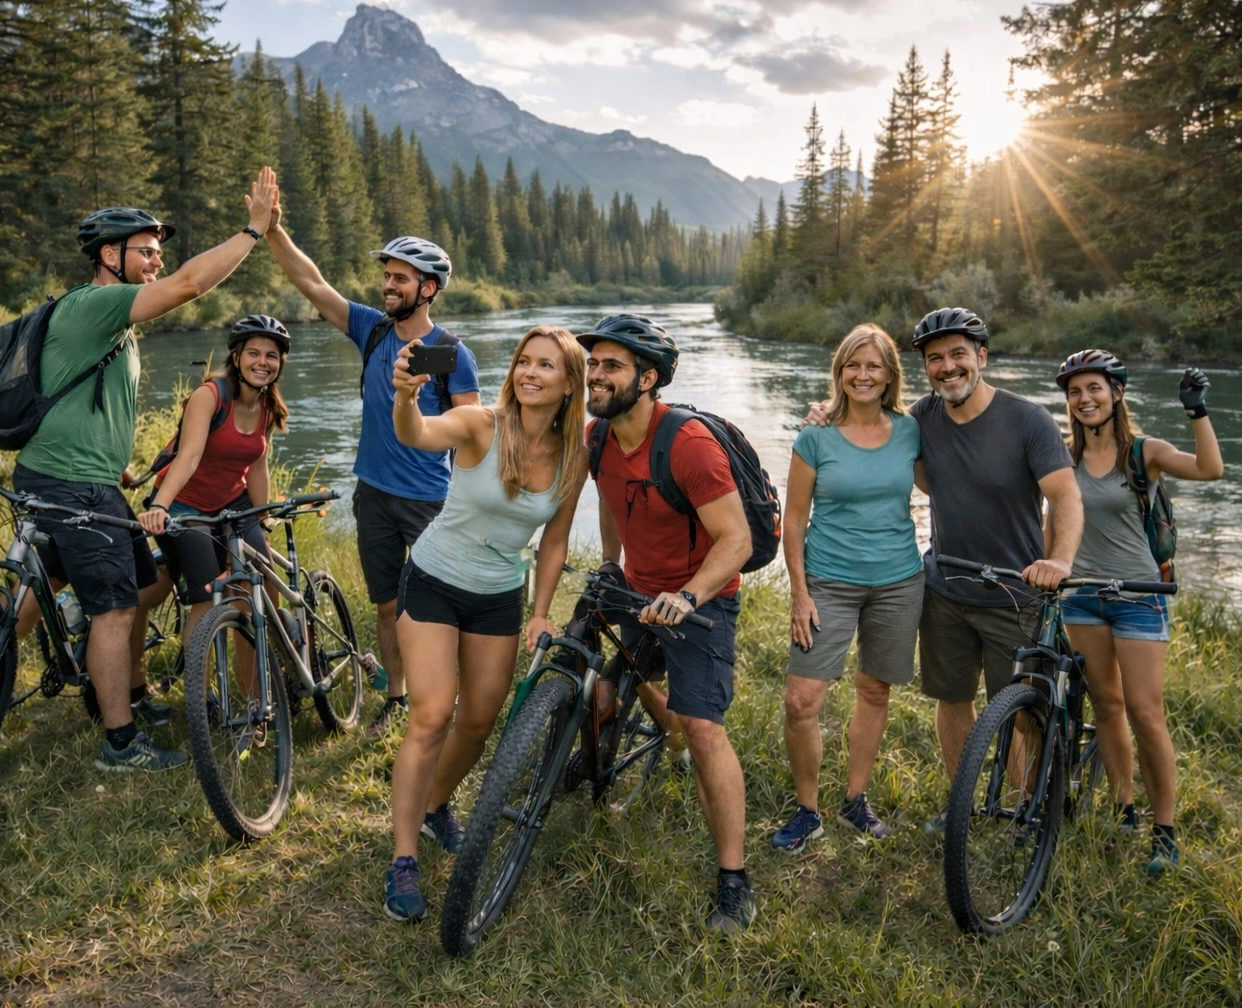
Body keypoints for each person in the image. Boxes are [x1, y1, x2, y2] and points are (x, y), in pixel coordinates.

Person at [0, 169, 280, 773]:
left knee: (136, 582)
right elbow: (190, 283)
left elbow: (87, 400)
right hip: (74, 486)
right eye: (145, 250)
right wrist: (253, 230)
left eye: (158, 252)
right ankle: (120, 742)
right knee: (115, 609)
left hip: (77, 477)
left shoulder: (107, 322)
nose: (156, 260)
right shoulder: (98, 303)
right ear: (109, 255)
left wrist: (113, 462)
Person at [813, 309, 1085, 826]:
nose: (947, 366)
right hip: (945, 589)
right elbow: (871, 430)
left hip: (1016, 592)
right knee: (952, 699)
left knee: (1023, 715)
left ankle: (1024, 810)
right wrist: (828, 415)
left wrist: (1058, 560)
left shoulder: (1028, 420)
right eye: (935, 358)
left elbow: (1066, 497)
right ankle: (962, 806)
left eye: (958, 354)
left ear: (981, 356)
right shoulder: (921, 419)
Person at [380, 326, 587, 922]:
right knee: (432, 715)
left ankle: (434, 805)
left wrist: (541, 610)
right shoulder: (480, 424)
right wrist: (405, 396)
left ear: (569, 384)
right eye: (524, 361)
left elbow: (554, 540)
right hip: (434, 580)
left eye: (545, 365)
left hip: (498, 596)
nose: (529, 373)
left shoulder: (574, 455)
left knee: (477, 722)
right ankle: (403, 859)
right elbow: (417, 433)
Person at [581, 313, 757, 935]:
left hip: (700, 597)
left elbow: (736, 540)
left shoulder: (687, 444)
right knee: (600, 679)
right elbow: (610, 498)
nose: (595, 375)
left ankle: (734, 879)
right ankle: (649, 735)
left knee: (705, 728)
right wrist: (610, 563)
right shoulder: (599, 437)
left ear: (648, 378)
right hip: (636, 587)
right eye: (593, 363)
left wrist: (687, 596)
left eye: (611, 366)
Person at [266, 222, 478, 737]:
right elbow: (313, 284)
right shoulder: (373, 329)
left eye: (400, 278)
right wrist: (273, 232)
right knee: (387, 604)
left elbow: (472, 434)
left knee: (433, 609)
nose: (388, 285)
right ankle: (397, 698)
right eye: (387, 276)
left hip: (430, 501)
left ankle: (443, 702)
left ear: (428, 288)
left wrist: (472, 504)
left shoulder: (449, 352)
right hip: (375, 497)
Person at [1055, 350, 1222, 875]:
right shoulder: (1063, 456)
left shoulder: (1143, 452)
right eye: (1075, 392)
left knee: (1145, 714)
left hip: (1139, 596)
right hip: (1081, 595)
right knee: (1106, 705)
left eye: (1094, 388)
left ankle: (1165, 831)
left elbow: (1210, 470)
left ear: (1117, 392)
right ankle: (1124, 806)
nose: (1085, 399)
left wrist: (1196, 411)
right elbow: (1052, 520)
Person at [771, 324, 925, 854]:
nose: (863, 375)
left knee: (875, 690)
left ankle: (856, 800)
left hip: (898, 580)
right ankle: (807, 810)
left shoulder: (910, 429)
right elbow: (794, 521)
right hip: (828, 582)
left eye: (873, 365)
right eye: (853, 365)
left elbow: (943, 473)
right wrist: (800, 593)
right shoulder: (815, 437)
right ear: (839, 372)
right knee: (801, 699)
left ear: (889, 375)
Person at [136, 316, 291, 657]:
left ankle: (267, 676)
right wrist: (159, 506)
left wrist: (262, 518)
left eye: (271, 356)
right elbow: (189, 457)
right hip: (184, 504)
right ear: (236, 357)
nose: (262, 362)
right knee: (208, 596)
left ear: (280, 363)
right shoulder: (210, 396)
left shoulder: (267, 405)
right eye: (253, 353)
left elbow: (257, 466)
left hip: (232, 502)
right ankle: (200, 685)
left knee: (263, 578)